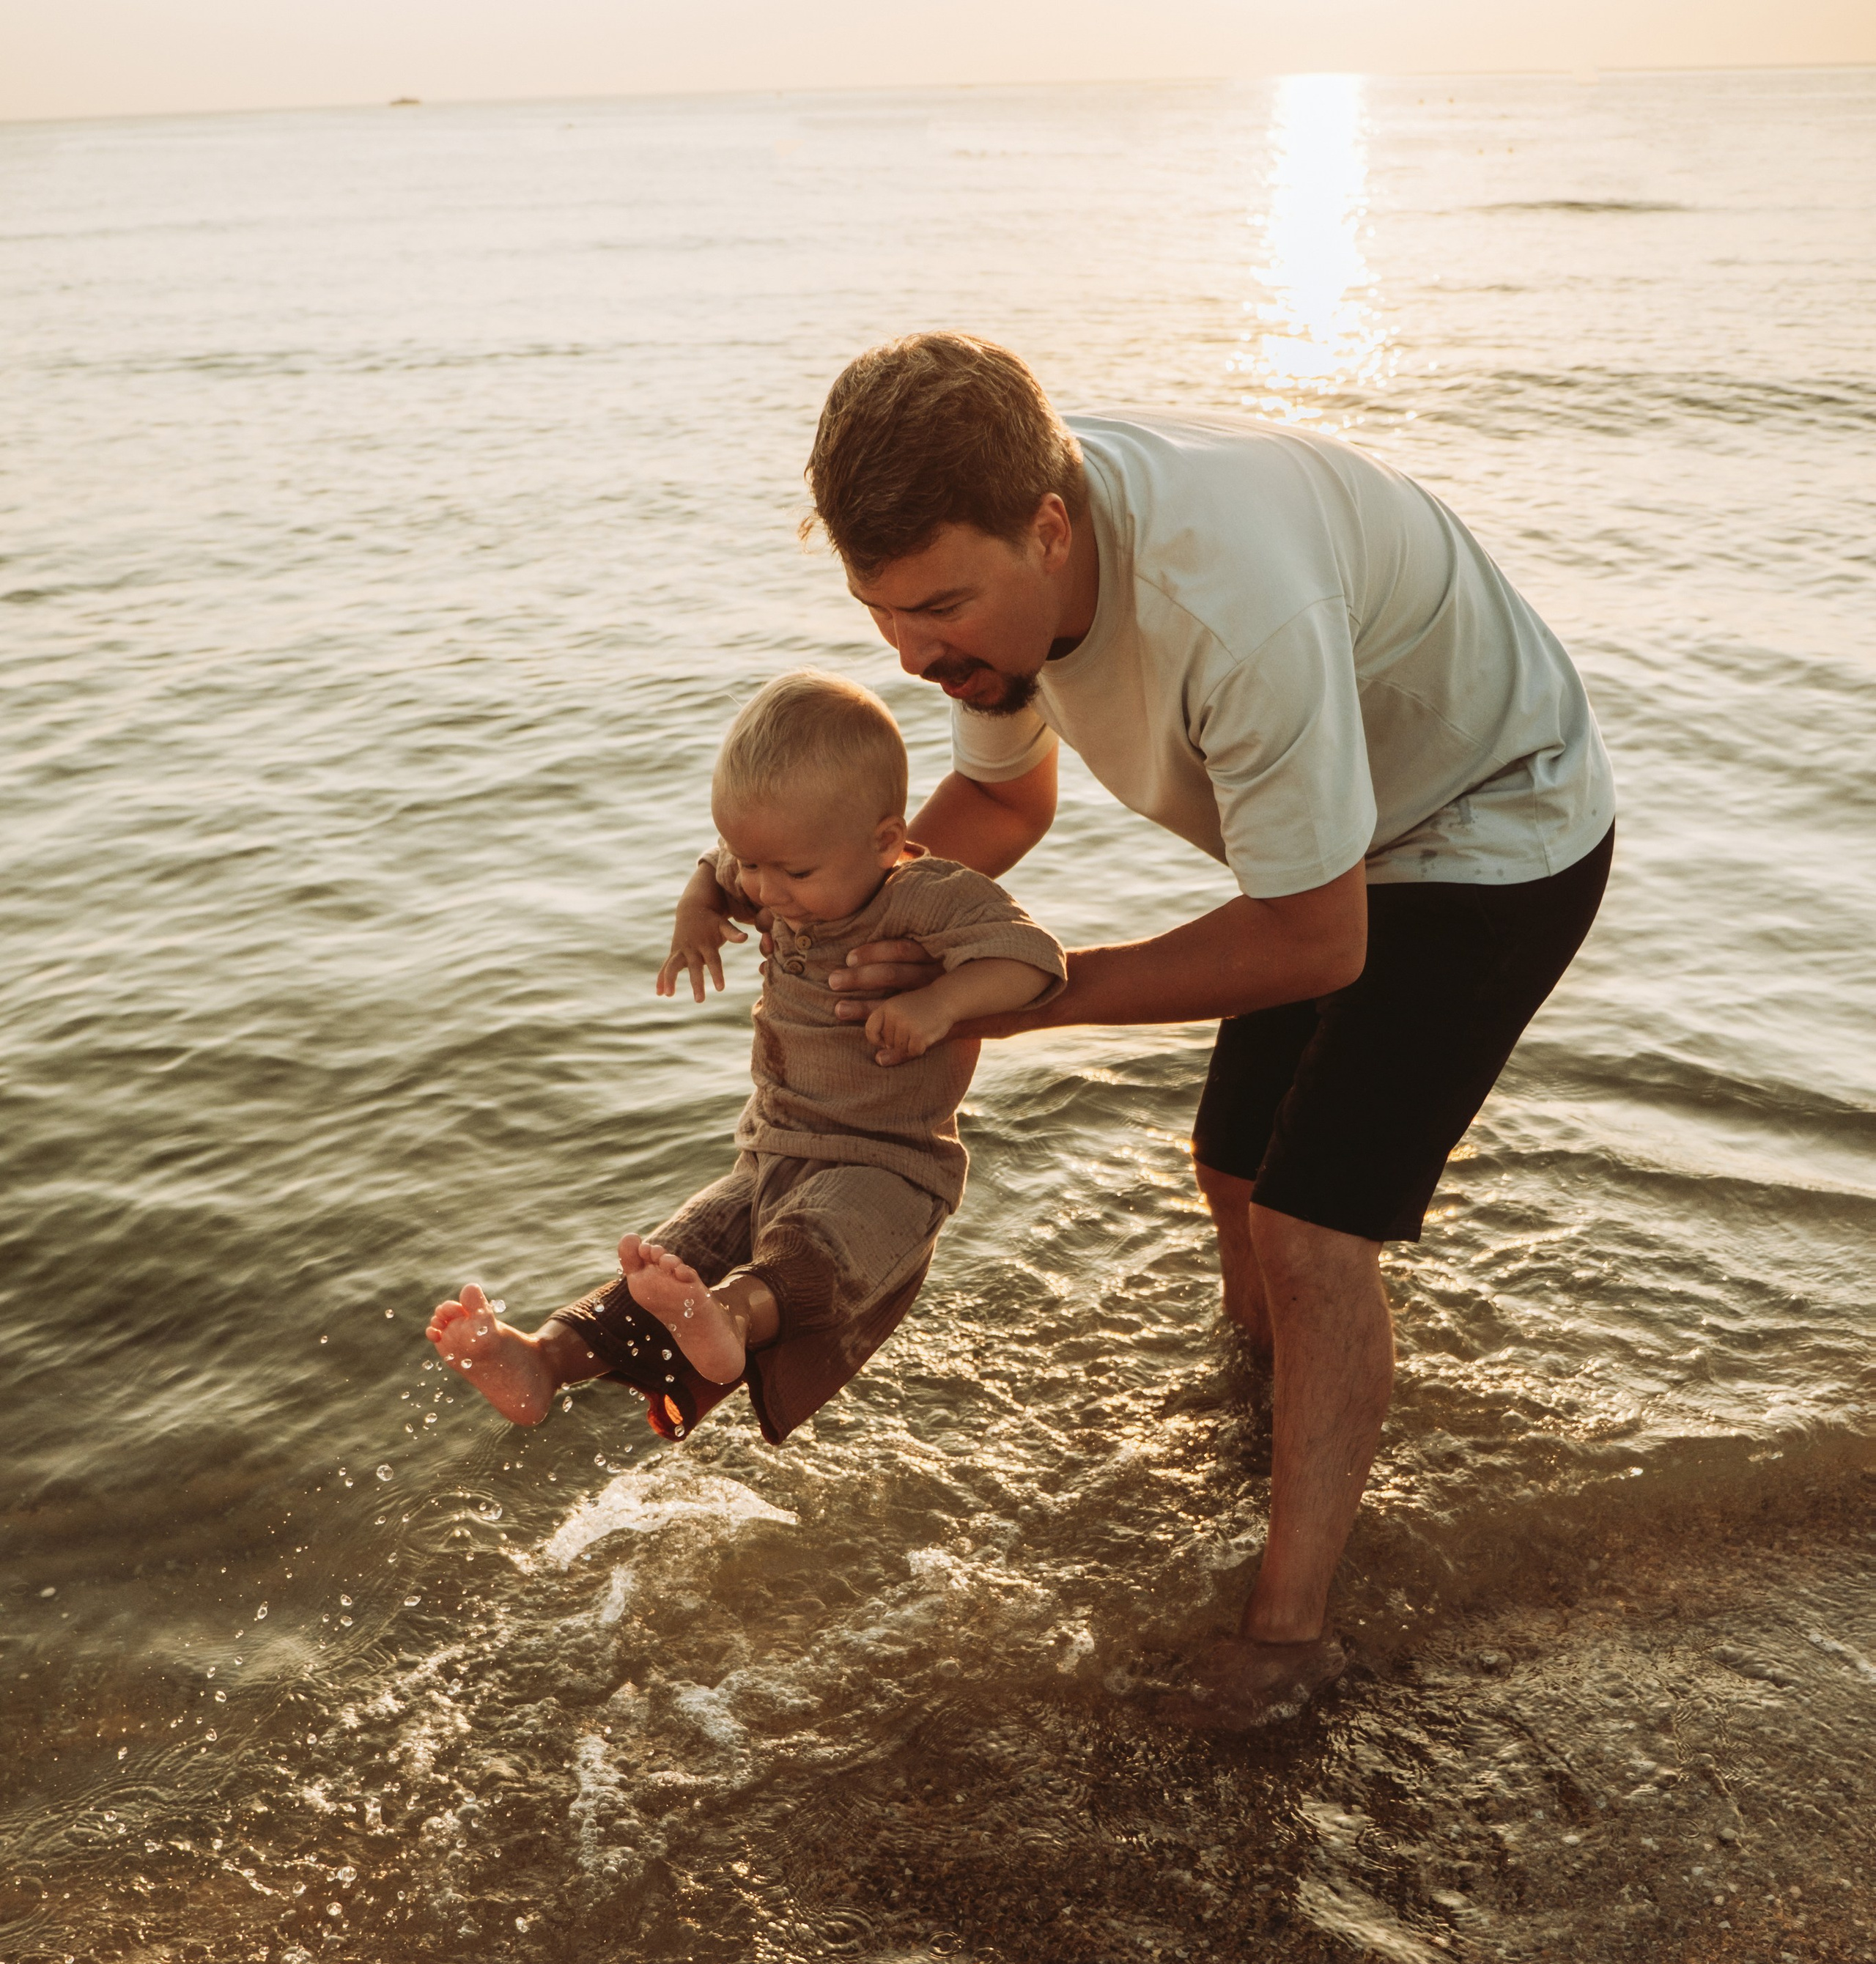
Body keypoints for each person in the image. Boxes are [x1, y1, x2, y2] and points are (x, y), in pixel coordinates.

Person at [738, 331, 1617, 1726]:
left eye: (942, 608)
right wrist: (831, 908)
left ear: (1049, 529)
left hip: (1494, 821)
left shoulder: (1228, 605)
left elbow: (1320, 941)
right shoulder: (1005, 581)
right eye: (879, 611)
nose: (910, 655)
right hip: (1343, 839)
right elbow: (1006, 809)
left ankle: (1292, 1634)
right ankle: (1265, 1417)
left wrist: (1017, 987)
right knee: (1232, 1166)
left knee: (1314, 1227)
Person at [425, 671, 1064, 1444]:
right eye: (752, 864)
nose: (766, 891)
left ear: (885, 841)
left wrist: (941, 1004)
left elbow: (1032, 960)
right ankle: (541, 1360)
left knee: (812, 1256)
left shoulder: (927, 896)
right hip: (769, 1151)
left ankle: (723, 1315)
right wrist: (696, 912)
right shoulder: (771, 864)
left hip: (887, 1163)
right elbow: (713, 868)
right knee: (666, 1263)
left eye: (793, 873)